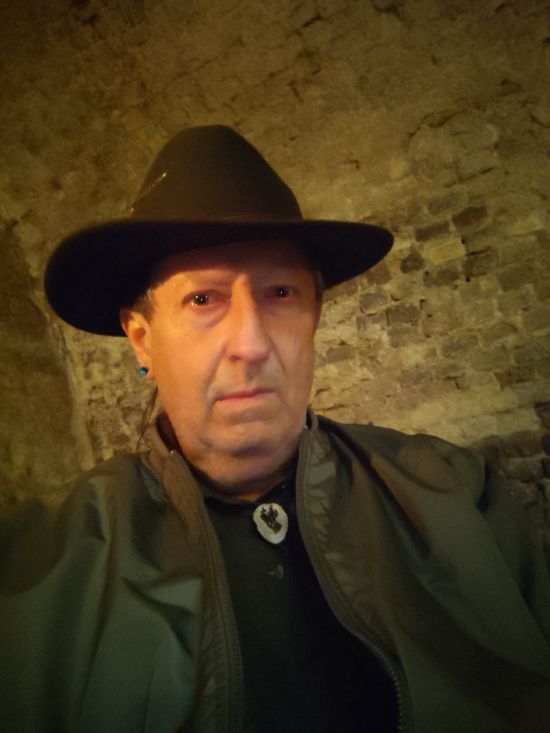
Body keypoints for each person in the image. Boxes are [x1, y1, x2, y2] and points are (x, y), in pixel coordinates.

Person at [1, 125, 549, 733]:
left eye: (281, 292)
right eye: (204, 300)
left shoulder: (458, 494)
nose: (252, 342)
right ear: (142, 338)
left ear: (313, 316)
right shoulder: (36, 573)